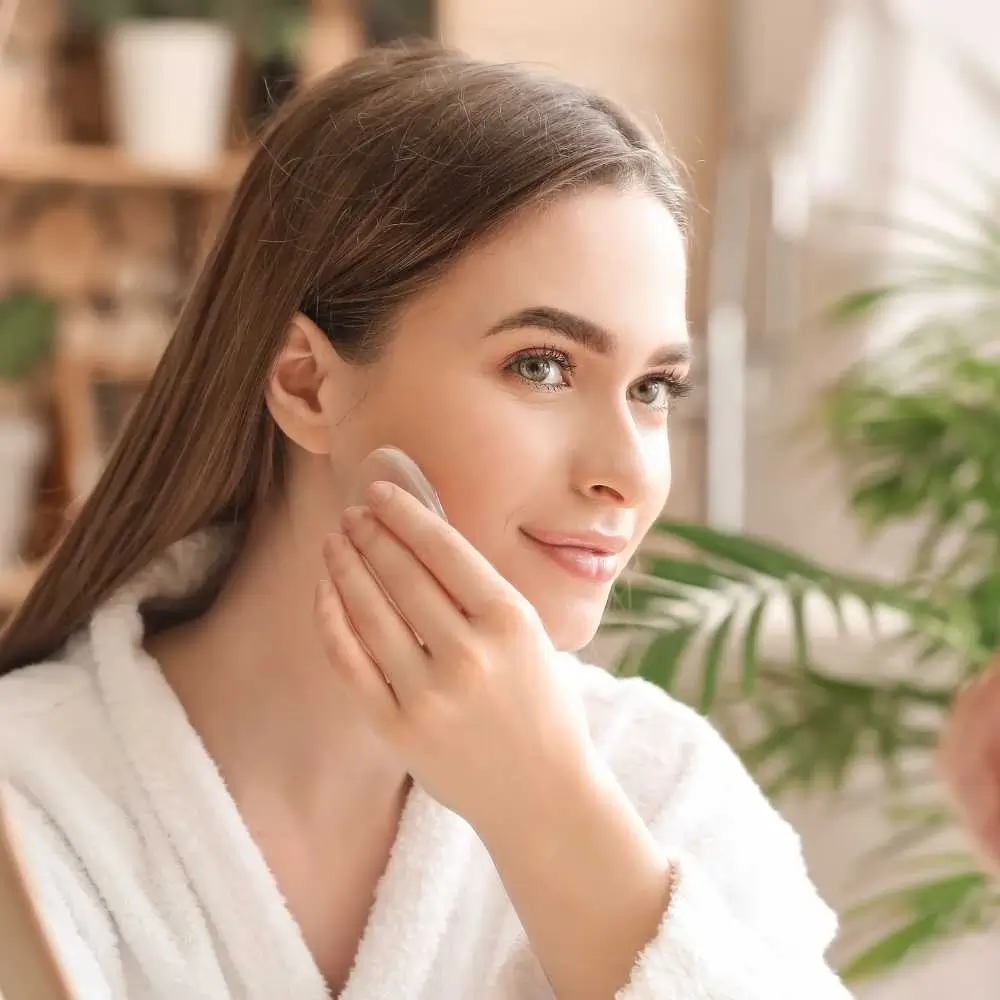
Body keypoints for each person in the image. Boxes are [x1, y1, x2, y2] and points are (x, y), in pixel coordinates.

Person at [0, 43, 851, 1000]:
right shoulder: (34, 799)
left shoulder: (662, 789)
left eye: (653, 388)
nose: (626, 473)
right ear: (307, 383)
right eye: (542, 366)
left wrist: (546, 813)